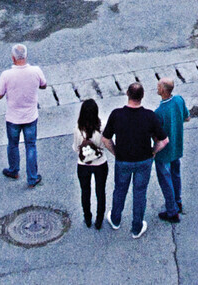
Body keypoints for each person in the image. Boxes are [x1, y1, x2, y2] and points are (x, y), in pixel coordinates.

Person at [101, 81, 168, 239]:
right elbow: (164, 141)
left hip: (123, 160)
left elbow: (105, 139)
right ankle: (137, 227)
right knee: (139, 193)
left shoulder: (117, 114)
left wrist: (116, 152)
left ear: (127, 94)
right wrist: (153, 152)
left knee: (120, 190)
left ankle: (115, 219)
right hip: (144, 161)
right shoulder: (149, 116)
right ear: (142, 96)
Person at [0, 42, 48, 188]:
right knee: (31, 146)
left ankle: (14, 170)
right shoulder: (35, 71)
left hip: (13, 118)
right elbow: (44, 85)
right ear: (26, 56)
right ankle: (32, 177)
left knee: (13, 144)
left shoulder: (6, 75)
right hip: (30, 116)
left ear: (13, 58)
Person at [154, 77, 189, 223]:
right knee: (175, 174)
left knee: (165, 181)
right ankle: (177, 201)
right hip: (177, 146)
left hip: (164, 151)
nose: (156, 88)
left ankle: (172, 211)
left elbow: (156, 136)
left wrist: (153, 151)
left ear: (163, 90)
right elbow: (187, 118)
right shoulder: (179, 100)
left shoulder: (159, 112)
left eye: (158, 86)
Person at [73, 98, 108, 229]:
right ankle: (99, 220)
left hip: (83, 165)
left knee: (85, 191)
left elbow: (76, 148)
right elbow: (104, 144)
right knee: (100, 191)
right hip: (100, 163)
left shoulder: (78, 129)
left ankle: (87, 217)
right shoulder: (102, 127)